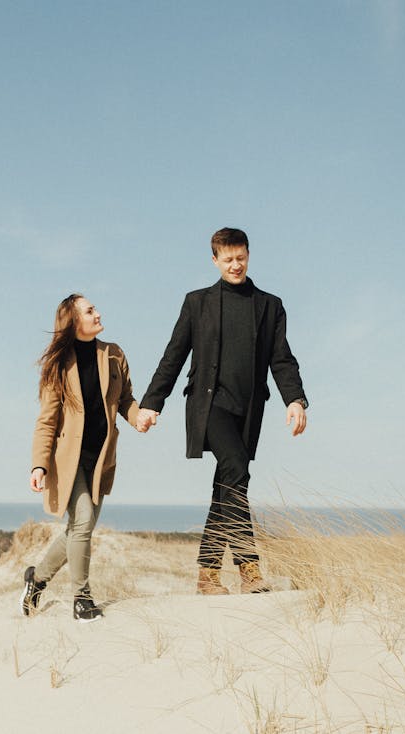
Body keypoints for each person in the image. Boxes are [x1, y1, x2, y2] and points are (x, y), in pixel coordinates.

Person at [136, 227, 308, 595]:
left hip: (248, 410)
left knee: (227, 485)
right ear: (214, 260)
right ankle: (249, 570)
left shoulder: (269, 306)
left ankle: (207, 575)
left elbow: (281, 359)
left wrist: (294, 399)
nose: (235, 265)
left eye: (241, 257)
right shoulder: (197, 303)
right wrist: (152, 403)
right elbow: (174, 356)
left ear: (249, 255)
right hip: (209, 406)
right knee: (236, 470)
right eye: (228, 259)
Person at [22, 294, 143, 622]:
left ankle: (37, 579)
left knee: (78, 527)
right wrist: (39, 464)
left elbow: (127, 399)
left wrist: (138, 417)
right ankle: (82, 598)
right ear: (75, 322)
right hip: (68, 460)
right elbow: (47, 420)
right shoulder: (58, 365)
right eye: (90, 311)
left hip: (101, 457)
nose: (98, 313)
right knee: (84, 521)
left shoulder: (114, 354)